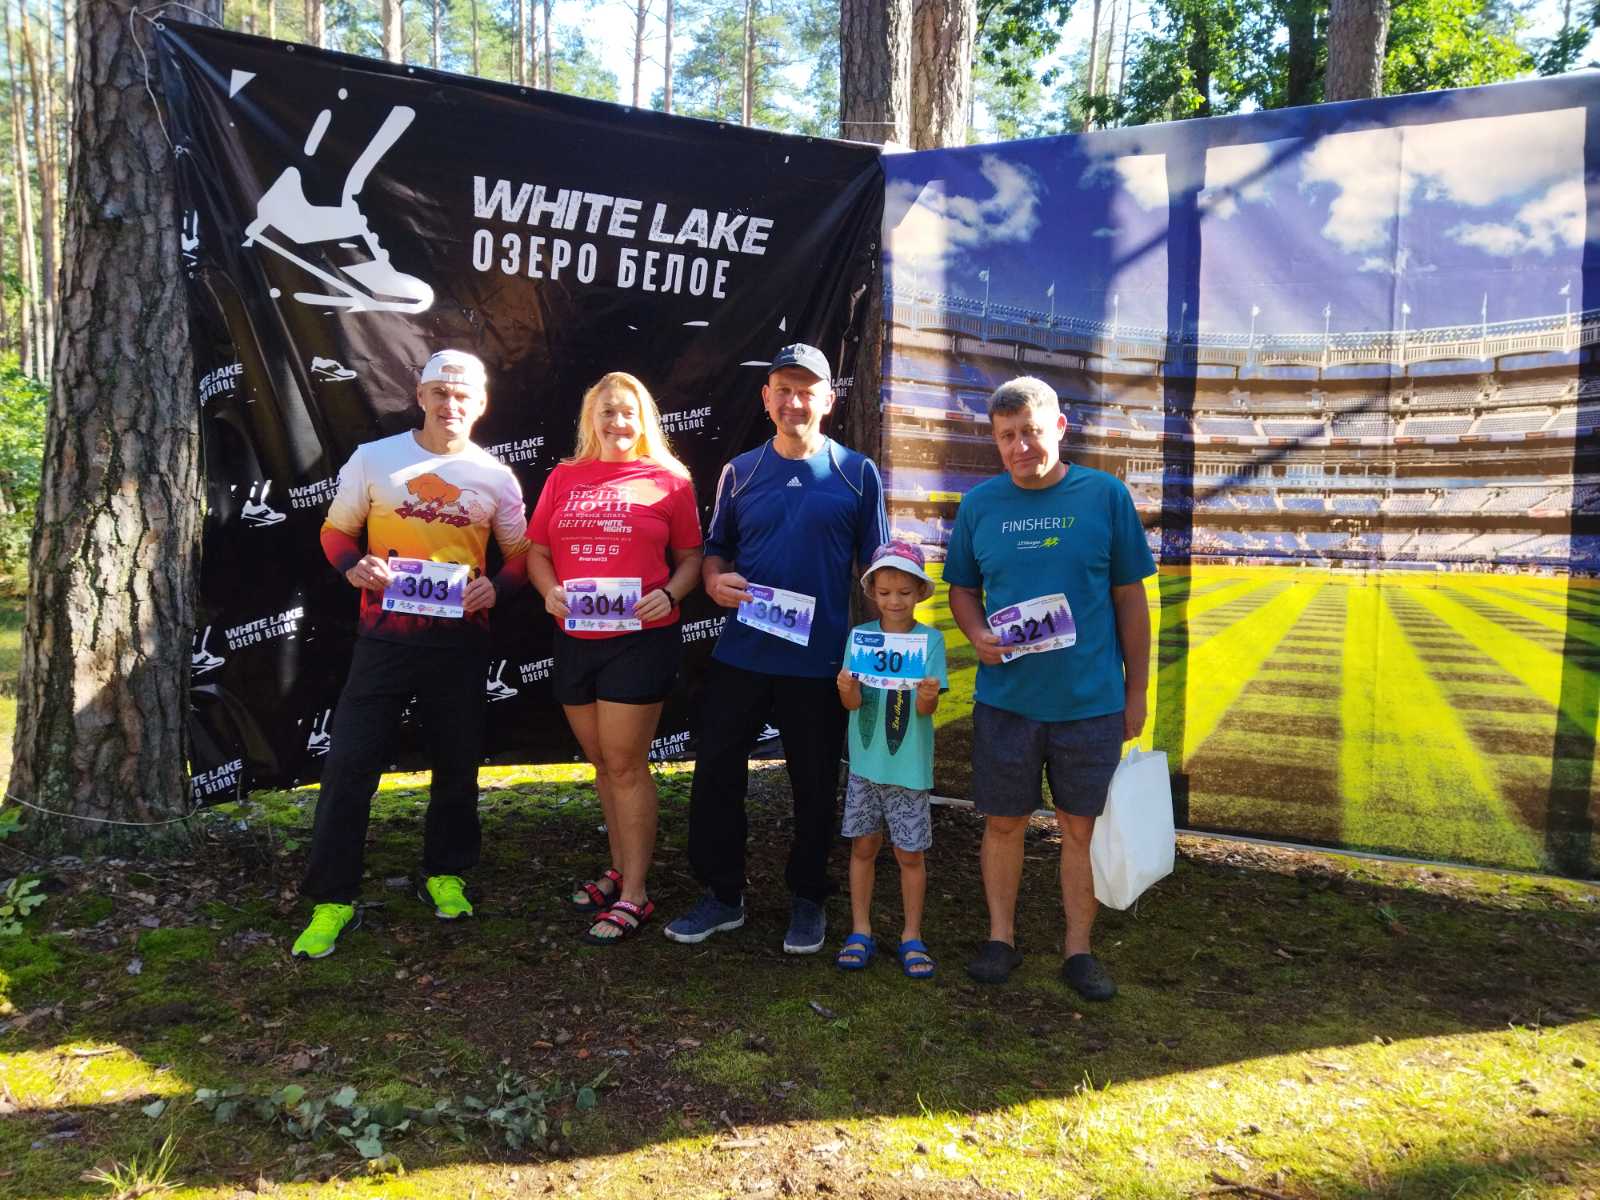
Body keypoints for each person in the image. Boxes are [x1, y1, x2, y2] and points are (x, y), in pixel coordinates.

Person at [293, 349, 530, 959]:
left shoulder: (496, 476)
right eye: (440, 393)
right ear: (421, 396)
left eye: (463, 395)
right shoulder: (375, 459)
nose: (451, 405)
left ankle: (446, 873)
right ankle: (332, 897)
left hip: (459, 644)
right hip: (385, 640)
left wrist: (496, 588)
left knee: (456, 765)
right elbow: (335, 531)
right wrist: (354, 566)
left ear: (481, 404)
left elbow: (522, 555)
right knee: (349, 766)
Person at [663, 343, 887, 954]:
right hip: (743, 655)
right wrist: (714, 581)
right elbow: (716, 550)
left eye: (806, 391)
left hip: (819, 663)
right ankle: (722, 895)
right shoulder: (740, 471)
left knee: (814, 785)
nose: (794, 402)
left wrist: (881, 648)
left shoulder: (857, 472)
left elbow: (877, 569)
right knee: (715, 775)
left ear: (828, 400)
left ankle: (808, 898)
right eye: (783, 390)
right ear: (766, 398)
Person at [942, 375, 1154, 1000]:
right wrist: (977, 633)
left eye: (1031, 432)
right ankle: (1000, 938)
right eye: (1006, 436)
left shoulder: (1105, 496)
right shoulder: (980, 505)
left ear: (1059, 428)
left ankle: (1078, 950)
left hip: (1089, 704)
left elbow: (1130, 600)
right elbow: (962, 589)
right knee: (1003, 824)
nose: (1020, 447)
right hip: (1006, 702)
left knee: (1079, 829)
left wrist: (1136, 693)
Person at [526, 372, 703, 943]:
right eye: (607, 411)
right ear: (591, 419)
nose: (617, 422)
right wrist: (548, 590)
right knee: (603, 764)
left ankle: (637, 895)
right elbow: (537, 552)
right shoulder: (563, 476)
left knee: (626, 765)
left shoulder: (670, 480)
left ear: (643, 418)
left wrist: (670, 594)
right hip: (575, 637)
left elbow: (692, 558)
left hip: (639, 640)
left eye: (628, 411)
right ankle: (621, 867)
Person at [834, 541, 947, 979]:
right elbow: (852, 704)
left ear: (919, 592)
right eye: (884, 593)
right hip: (865, 767)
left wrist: (928, 695)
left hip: (908, 770)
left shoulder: (930, 641)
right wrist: (846, 688)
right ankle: (860, 929)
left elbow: (925, 711)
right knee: (863, 847)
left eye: (903, 592)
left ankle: (911, 935)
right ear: (872, 593)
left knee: (910, 854)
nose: (894, 601)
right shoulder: (860, 638)